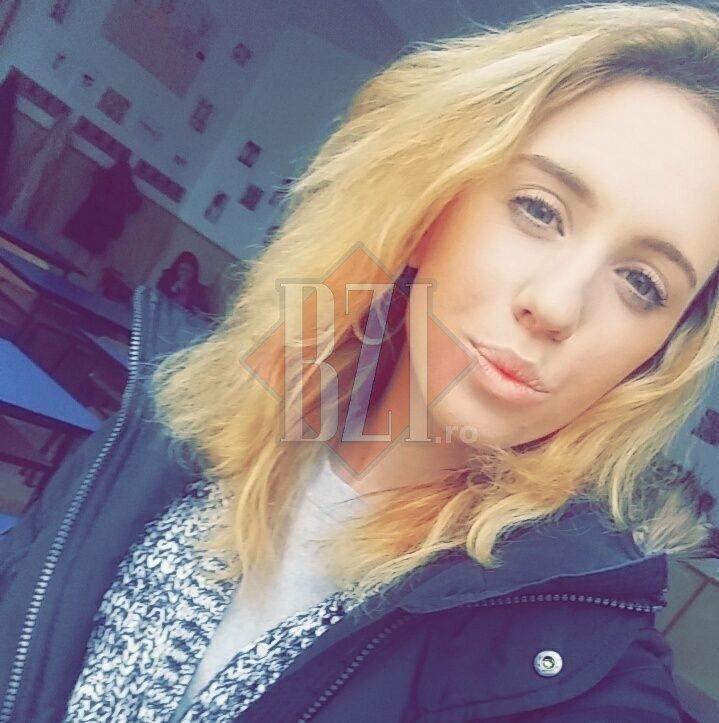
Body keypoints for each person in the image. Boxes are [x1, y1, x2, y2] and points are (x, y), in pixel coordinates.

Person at [2, 2, 719, 721]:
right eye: (539, 209)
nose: (557, 305)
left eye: (642, 283)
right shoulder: (179, 416)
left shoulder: (577, 665)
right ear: (429, 206)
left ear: (656, 354)